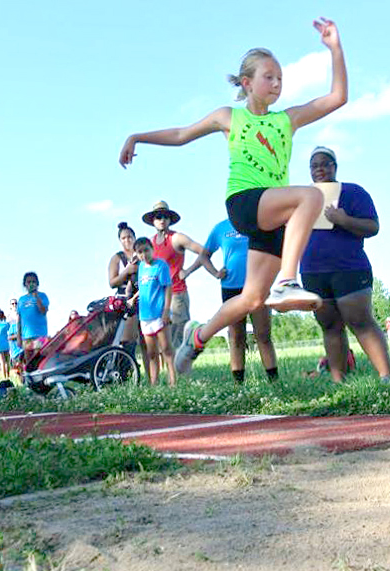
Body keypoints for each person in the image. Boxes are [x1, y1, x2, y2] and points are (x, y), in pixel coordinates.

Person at [119, 18, 347, 375]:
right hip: (244, 200)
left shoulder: (287, 120)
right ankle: (287, 282)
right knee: (311, 197)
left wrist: (334, 48)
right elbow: (181, 133)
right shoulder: (230, 117)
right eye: (268, 77)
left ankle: (197, 339)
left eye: (280, 78)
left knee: (253, 298)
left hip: (272, 216)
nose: (276, 83)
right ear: (247, 83)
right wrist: (137, 136)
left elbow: (337, 98)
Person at [301, 146, 390, 383]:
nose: (319, 169)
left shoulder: (353, 192)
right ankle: (338, 380)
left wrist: (343, 219)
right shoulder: (303, 196)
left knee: (360, 321)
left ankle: (385, 376)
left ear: (335, 166)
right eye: (314, 165)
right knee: (329, 325)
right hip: (313, 270)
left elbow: (373, 227)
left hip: (349, 267)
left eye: (324, 164)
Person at [201, 217, 279, 383]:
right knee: (236, 337)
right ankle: (239, 384)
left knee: (263, 335)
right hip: (231, 287)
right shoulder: (220, 228)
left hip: (257, 285)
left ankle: (274, 382)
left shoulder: (257, 221)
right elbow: (204, 255)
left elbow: (274, 246)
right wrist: (215, 272)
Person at [142, 201, 211, 349]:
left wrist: (188, 271)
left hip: (177, 295)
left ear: (170, 220)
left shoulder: (177, 238)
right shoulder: (151, 243)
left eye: (165, 216)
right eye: (158, 216)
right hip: (158, 298)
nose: (162, 220)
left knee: (179, 339)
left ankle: (183, 371)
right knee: (164, 342)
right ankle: (171, 372)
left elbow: (204, 251)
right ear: (153, 221)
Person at [107, 221, 150, 373]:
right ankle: (127, 373)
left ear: (134, 237)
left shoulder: (143, 255)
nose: (127, 240)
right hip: (126, 301)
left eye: (130, 237)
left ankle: (152, 377)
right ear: (120, 240)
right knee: (128, 340)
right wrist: (126, 271)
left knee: (147, 340)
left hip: (144, 298)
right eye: (124, 238)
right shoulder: (117, 258)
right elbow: (112, 282)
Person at [134, 237, 176, 386]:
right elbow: (143, 287)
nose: (144, 254)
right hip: (145, 316)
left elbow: (168, 288)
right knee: (151, 353)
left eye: (146, 250)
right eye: (140, 252)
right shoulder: (141, 268)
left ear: (152, 249)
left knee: (166, 349)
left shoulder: (161, 265)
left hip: (159, 314)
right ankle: (154, 383)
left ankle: (173, 381)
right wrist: (133, 298)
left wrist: (166, 310)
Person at [16, 271, 49, 360]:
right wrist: (18, 337)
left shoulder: (42, 296)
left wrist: (36, 297)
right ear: (25, 284)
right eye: (29, 282)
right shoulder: (21, 299)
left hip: (40, 335)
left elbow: (43, 311)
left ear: (37, 283)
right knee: (29, 362)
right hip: (26, 337)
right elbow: (19, 319)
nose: (31, 284)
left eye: (33, 282)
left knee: (38, 360)